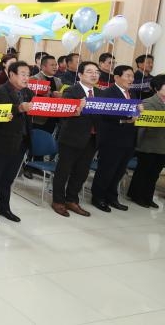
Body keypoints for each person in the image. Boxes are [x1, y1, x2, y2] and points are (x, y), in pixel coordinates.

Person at [0, 61, 34, 224]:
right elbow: (3, 109)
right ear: (12, 74)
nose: (26, 78)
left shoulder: (28, 93)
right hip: (2, 140)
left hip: (21, 141)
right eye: (23, 74)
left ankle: (3, 207)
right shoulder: (0, 90)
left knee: (8, 178)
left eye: (28, 74)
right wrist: (19, 108)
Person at [51, 61, 101, 217]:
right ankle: (58, 201)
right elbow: (63, 115)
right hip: (72, 138)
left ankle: (72, 199)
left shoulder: (100, 93)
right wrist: (78, 108)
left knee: (81, 172)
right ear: (80, 75)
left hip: (92, 139)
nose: (94, 75)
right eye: (90, 72)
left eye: (96, 72)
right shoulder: (72, 91)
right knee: (63, 171)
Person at [91, 65, 139, 212]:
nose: (131, 79)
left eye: (132, 76)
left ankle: (112, 197)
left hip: (128, 138)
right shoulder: (108, 93)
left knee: (119, 170)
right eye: (128, 76)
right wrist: (125, 119)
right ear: (117, 77)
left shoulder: (131, 94)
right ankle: (98, 197)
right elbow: (105, 114)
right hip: (112, 138)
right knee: (107, 169)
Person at [127, 74, 165, 208]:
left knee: (154, 173)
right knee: (143, 171)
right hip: (149, 142)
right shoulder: (148, 102)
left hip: (162, 145)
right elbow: (143, 122)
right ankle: (136, 195)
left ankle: (148, 197)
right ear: (157, 88)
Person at [31, 55, 63, 133]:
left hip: (54, 116)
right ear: (43, 66)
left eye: (56, 65)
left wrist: (60, 96)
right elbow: (29, 98)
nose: (55, 67)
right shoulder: (34, 79)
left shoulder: (58, 80)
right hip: (39, 118)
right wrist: (45, 96)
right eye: (52, 65)